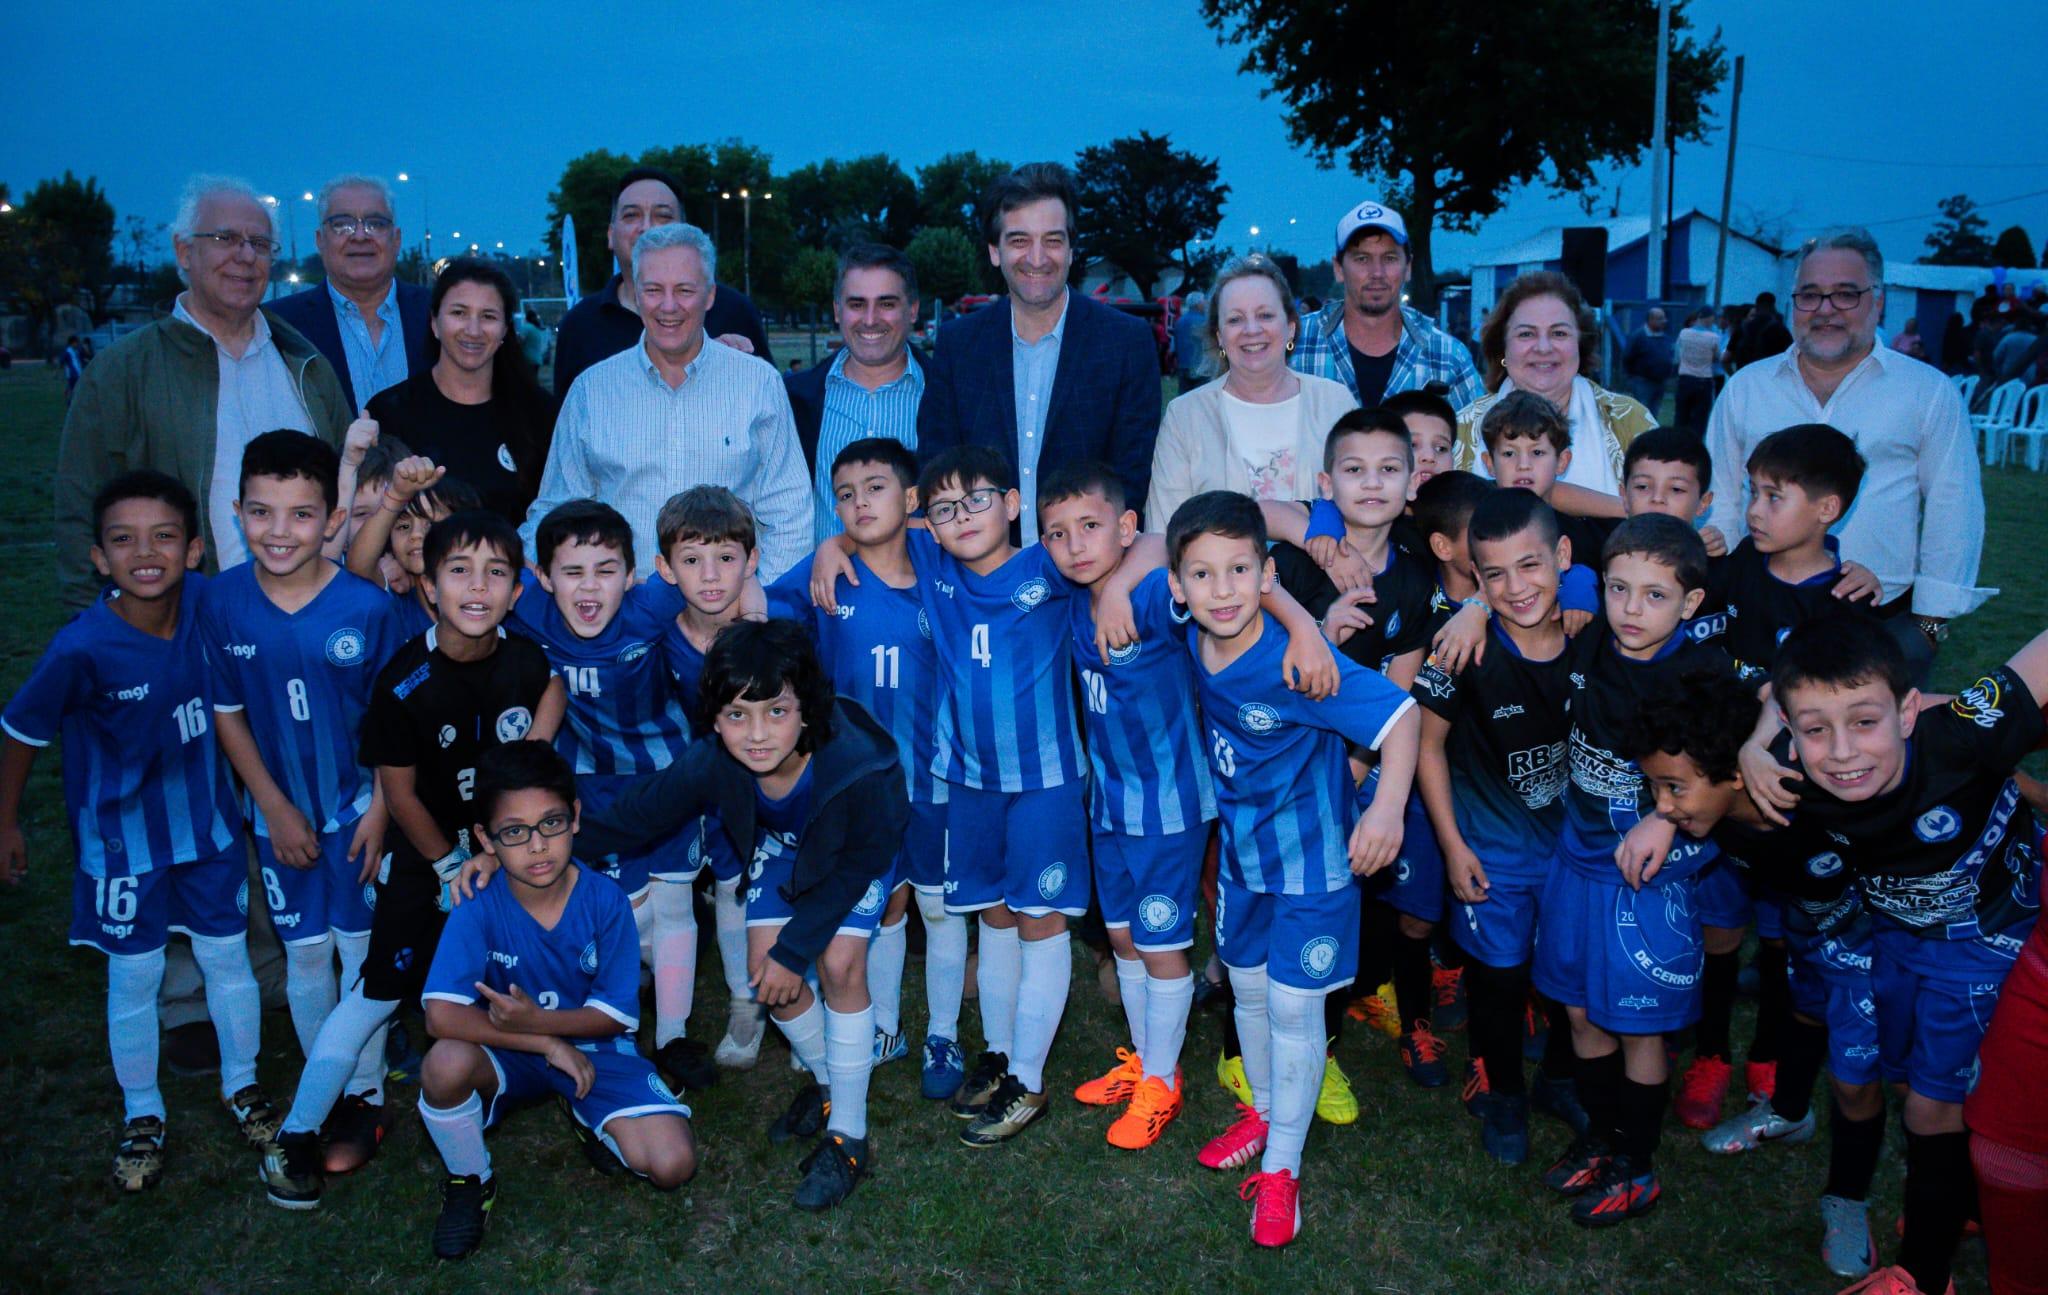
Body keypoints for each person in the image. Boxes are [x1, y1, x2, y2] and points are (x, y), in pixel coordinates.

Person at [259, 510, 563, 1210]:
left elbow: (551, 688)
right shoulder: (403, 680)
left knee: (505, 969)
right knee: (379, 988)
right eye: (459, 571)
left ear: (517, 590)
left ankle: (514, 1080)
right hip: (431, 856)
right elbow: (397, 794)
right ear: (428, 586)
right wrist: (451, 862)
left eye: (496, 572)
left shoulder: (523, 658)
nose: (478, 586)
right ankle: (297, 1132)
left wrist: (536, 752)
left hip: (498, 853)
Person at [1750, 618, 2048, 1295]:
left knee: (1930, 1108)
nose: (1843, 751)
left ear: (1909, 710)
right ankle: (1964, 1202)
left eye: (1864, 720)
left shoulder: (1961, 734)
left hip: (1986, 949)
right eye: (1815, 729)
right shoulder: (1787, 765)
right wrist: (1748, 745)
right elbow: (1729, 729)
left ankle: (1923, 1273)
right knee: (1916, 1085)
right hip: (1893, 940)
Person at [0, 471, 279, 1191]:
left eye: (163, 536)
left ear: (193, 549)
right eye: (123, 540)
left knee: (226, 960)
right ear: (99, 558)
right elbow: (21, 730)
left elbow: (285, 579)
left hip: (209, 830)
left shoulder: (209, 607)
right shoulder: (81, 647)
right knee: (137, 976)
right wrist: (5, 820)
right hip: (123, 846)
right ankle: (142, 1111)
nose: (144, 552)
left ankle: (242, 1084)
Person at [576, 619, 905, 1212]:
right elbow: (638, 816)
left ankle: (849, 1137)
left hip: (857, 854)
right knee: (764, 974)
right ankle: (830, 1083)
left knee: (838, 962)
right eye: (736, 715)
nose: (756, 734)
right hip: (787, 849)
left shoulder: (860, 764)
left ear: (807, 708)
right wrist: (539, 841)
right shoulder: (714, 760)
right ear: (714, 716)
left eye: (776, 712)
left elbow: (864, 861)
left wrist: (794, 946)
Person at [1166, 490, 1419, 1247]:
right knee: (1245, 993)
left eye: (1240, 570)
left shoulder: (1296, 663)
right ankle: (1269, 1114)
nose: (1222, 590)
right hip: (1243, 863)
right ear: (1179, 588)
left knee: (1291, 1007)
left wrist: (1384, 809)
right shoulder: (1196, 635)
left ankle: (1282, 1166)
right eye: (1203, 575)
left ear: (1265, 573)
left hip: (1314, 869)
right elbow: (1142, 546)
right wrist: (1296, 609)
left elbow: (1399, 717)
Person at [1620, 671, 1886, 1282]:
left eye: (1672, 788)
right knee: (1801, 1006)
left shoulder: (1816, 784)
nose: (1662, 802)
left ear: (1739, 773)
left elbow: (1809, 680)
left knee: (1855, 1082)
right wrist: (1669, 813)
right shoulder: (1716, 812)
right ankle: (1789, 1110)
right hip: (1812, 927)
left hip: (1880, 940)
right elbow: (1757, 697)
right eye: (1655, 787)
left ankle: (1846, 1199)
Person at [199, 431, 406, 1161]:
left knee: (360, 947)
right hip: (275, 817)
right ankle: (329, 1075)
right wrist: (275, 807)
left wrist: (383, 809)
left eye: (299, 515)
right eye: (261, 513)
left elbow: (390, 723)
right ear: (236, 511)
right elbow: (225, 711)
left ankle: (368, 1086)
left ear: (330, 520)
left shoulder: (365, 607)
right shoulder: (221, 603)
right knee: (306, 953)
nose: (279, 532)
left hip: (356, 811)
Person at [416, 742, 696, 1259]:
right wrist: (544, 1038)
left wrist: (547, 1026)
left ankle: (589, 1113)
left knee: (672, 1166)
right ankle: (469, 1180)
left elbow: (614, 1018)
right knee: (443, 1065)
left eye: (551, 823)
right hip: (512, 1048)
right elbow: (440, 1015)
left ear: (575, 820)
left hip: (594, 1045)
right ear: (486, 839)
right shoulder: (477, 903)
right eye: (514, 833)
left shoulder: (605, 900)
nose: (537, 846)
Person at [1536, 515, 1735, 1228]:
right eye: (1619, 587)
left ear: (1690, 604)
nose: (1630, 607)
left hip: (1648, 880)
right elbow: (1562, 583)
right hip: (1576, 860)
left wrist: (1668, 812)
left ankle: (1637, 1162)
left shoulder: (1702, 676)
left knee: (1641, 1029)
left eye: (1655, 595)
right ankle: (1602, 1133)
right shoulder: (1595, 633)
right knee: (1581, 1012)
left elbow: (1729, 776)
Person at [764, 438, 966, 1098]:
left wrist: (845, 540)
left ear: (909, 499)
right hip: (856, 785)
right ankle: (883, 1025)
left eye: (875, 488)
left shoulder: (943, 563)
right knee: (882, 906)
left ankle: (944, 1032)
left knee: (938, 908)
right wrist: (833, 546)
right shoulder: (824, 576)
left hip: (934, 774)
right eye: (845, 495)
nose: (858, 503)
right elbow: (757, 606)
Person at [1704, 229, 1990, 685]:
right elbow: (1720, 498)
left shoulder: (1926, 391)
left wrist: (1929, 626)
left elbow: (1953, 506)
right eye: (1811, 295)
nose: (1825, 310)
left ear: (1877, 302)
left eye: (1845, 295)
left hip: (1884, 626)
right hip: (1758, 625)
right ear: (1792, 303)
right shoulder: (1747, 388)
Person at [57, 174, 350, 609]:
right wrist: (105, 644)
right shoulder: (120, 373)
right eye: (225, 238)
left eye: (260, 243)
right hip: (183, 634)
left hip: (310, 629)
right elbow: (80, 517)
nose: (245, 256)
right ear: (184, 251)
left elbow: (351, 486)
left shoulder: (306, 363)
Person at [502, 498, 714, 1096]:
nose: (589, 587)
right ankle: (617, 1021)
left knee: (674, 904)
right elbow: (468, 566)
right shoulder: (530, 610)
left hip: (668, 777)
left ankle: (673, 1036)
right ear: (542, 578)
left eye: (605, 570)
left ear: (633, 575)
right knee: (622, 912)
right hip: (590, 785)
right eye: (572, 572)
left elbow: (717, 577)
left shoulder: (652, 604)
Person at [1411, 488, 1580, 1166]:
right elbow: (1426, 747)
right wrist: (1452, 846)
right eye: (1495, 575)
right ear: (1476, 578)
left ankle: (1560, 1079)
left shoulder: (1593, 636)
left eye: (1531, 566)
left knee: (1572, 981)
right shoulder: (1462, 650)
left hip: (1576, 853)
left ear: (1564, 556)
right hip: (1492, 854)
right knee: (1500, 978)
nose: (1517, 587)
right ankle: (1504, 1090)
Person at [521, 222, 811, 580]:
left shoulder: (758, 384)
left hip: (732, 616)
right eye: (654, 290)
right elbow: (557, 509)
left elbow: (790, 513)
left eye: (685, 290)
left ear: (710, 295)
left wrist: (757, 605)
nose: (668, 306)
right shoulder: (591, 392)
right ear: (636, 294)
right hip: (622, 616)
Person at [915, 163, 1162, 539]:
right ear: (995, 251)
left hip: (1089, 582)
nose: (1036, 257)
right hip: (985, 580)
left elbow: (1131, 481)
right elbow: (938, 474)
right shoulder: (958, 347)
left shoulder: (1125, 344)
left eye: (1052, 240)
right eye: (1018, 240)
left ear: (1071, 249)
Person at [1144, 255, 1359, 527]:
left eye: (1265, 315)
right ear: (1220, 336)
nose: (1251, 330)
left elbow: (1364, 510)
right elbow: (1164, 529)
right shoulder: (1185, 416)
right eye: (1235, 319)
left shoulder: (1336, 404)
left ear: (1291, 327)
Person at [363, 257, 556, 525]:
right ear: (434, 323)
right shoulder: (389, 412)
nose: (473, 330)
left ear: (504, 331)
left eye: (488, 316)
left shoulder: (541, 414)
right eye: (459, 313)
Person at [551, 166, 773, 395]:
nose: (646, 227)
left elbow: (765, 404)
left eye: (663, 216)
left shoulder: (734, 311)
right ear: (610, 235)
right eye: (631, 215)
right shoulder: (579, 325)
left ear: (685, 230)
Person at [1454, 271, 1655, 517]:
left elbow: (1667, 513)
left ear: (1580, 344)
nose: (1543, 348)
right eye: (1526, 334)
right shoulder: (1461, 431)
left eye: (1559, 333)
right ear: (1502, 346)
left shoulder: (1628, 421)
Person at [782, 244, 926, 542]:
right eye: (857, 304)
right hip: (821, 586)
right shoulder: (795, 398)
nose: (870, 319)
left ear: (912, 309)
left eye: (886, 304)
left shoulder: (944, 394)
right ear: (837, 311)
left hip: (921, 586)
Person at [1289, 198, 1483, 410]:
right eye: (1362, 259)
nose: (1377, 273)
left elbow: (1478, 439)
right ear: (1338, 268)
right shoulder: (1295, 345)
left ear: (1408, 267)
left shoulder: (1448, 358)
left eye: (1389, 258)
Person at [269, 175, 432, 416]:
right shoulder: (280, 325)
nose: (359, 236)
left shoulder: (437, 313)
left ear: (396, 240)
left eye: (375, 224)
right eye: (341, 224)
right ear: (320, 240)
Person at [1674, 308, 1721, 439]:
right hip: (1703, 379)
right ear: (1710, 318)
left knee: (1681, 415)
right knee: (1700, 419)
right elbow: (1717, 357)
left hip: (1685, 378)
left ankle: (1677, 443)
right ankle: (1694, 445)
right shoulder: (1713, 337)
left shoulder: (1684, 333)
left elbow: (1678, 355)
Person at [1622, 307, 1675, 417]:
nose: (1664, 321)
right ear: (1651, 320)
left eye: (1664, 318)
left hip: (1660, 382)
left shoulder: (1665, 337)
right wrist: (1631, 379)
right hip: (1642, 382)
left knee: (1654, 411)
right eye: (1660, 319)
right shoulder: (1638, 336)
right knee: (1642, 412)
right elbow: (1627, 357)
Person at [1730, 292, 1793, 371]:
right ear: (1773, 305)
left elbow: (1726, 358)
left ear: (1756, 305)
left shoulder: (1743, 328)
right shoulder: (1780, 329)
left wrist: (1733, 375)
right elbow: (1791, 356)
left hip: (1744, 376)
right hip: (1768, 377)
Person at [1173, 291, 1211, 394]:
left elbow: (1174, 346)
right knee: (1202, 398)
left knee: (1184, 396)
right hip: (1201, 366)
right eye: (1204, 301)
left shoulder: (1179, 322)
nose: (1206, 304)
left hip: (1183, 365)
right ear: (1198, 304)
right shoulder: (1206, 322)